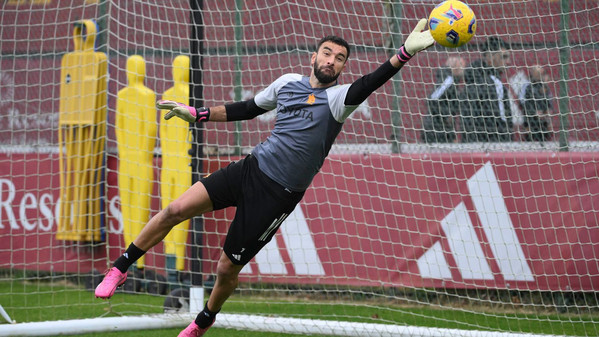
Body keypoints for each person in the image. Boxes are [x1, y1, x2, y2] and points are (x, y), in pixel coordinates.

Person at [94, 19, 434, 337]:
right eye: (327, 53)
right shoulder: (287, 83)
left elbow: (369, 83)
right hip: (250, 168)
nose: (332, 61)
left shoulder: (337, 100)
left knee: (226, 268)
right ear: (314, 56)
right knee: (174, 209)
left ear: (343, 67)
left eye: (340, 58)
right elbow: (247, 108)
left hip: (278, 195)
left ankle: (203, 321)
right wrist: (196, 114)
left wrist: (404, 53)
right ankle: (121, 267)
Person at [460, 36, 513, 142]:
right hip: (495, 144)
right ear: (490, 57)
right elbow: (501, 119)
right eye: (504, 57)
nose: (508, 62)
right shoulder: (495, 83)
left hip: (470, 145)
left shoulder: (471, 81)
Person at [421, 56, 466, 143]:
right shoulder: (448, 81)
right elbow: (432, 99)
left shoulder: (453, 82)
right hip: (435, 130)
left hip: (443, 130)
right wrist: (446, 115)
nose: (464, 70)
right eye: (462, 66)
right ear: (455, 67)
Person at [521, 65, 553, 142]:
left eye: (541, 73)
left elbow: (548, 102)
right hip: (531, 121)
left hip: (543, 121)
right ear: (532, 74)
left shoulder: (544, 87)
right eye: (537, 73)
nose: (540, 76)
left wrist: (548, 112)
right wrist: (534, 112)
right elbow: (523, 103)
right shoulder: (527, 87)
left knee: (545, 142)